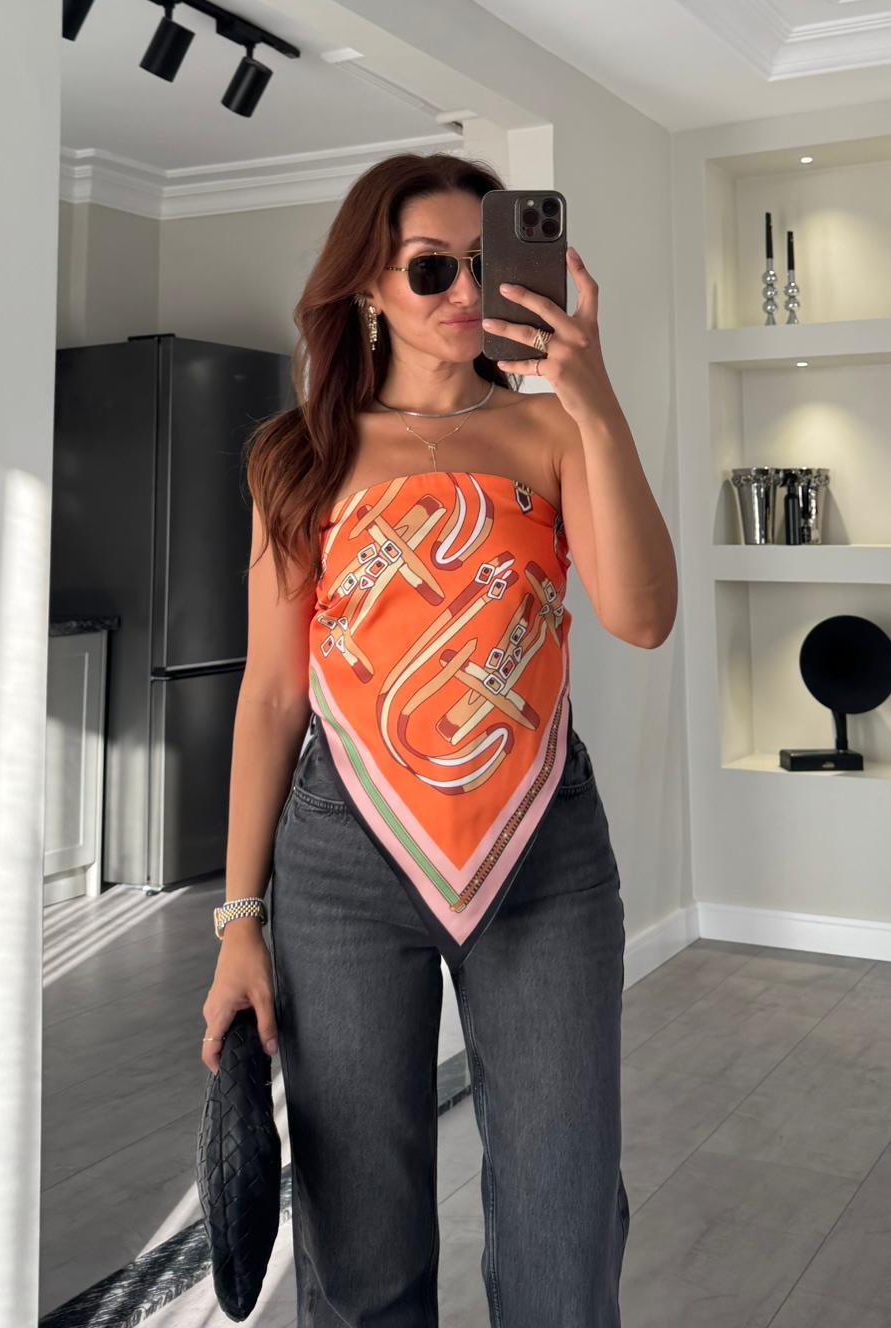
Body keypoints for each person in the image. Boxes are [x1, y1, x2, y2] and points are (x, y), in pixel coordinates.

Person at [200, 152, 677, 1326]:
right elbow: (273, 695)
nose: (465, 292)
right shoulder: (296, 455)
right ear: (367, 283)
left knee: (565, 1213)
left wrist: (594, 394)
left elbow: (642, 615)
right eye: (430, 269)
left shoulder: (549, 430)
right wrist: (238, 921)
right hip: (342, 858)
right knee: (357, 1230)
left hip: (544, 848)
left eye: (485, 264)